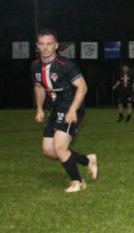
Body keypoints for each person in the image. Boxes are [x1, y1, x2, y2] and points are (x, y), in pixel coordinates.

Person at [32, 28, 98, 193]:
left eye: (49, 44)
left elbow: (82, 87)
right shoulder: (35, 66)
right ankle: (87, 160)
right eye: (42, 44)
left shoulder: (66, 65)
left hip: (71, 107)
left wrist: (72, 110)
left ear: (56, 45)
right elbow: (39, 87)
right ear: (37, 46)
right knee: (48, 150)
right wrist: (39, 109)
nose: (45, 48)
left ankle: (78, 182)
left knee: (60, 146)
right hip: (54, 108)